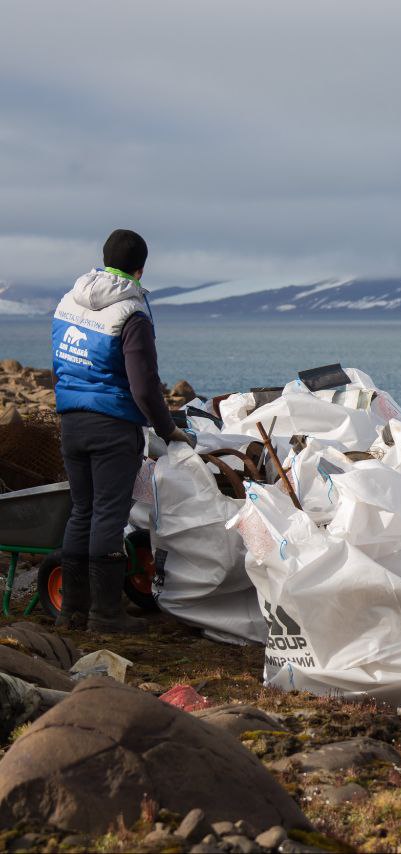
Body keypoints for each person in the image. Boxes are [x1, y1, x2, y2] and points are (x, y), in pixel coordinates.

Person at [50, 229, 194, 633]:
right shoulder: (132, 313)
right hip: (113, 428)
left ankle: (72, 612)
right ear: (141, 268)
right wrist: (167, 430)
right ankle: (106, 615)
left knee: (82, 510)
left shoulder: (68, 302)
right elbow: (144, 385)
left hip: (72, 422)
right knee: (109, 517)